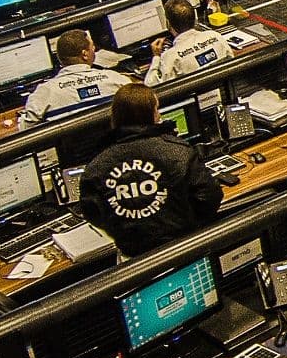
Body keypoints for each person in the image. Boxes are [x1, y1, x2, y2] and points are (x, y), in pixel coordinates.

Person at [78, 84, 222, 256]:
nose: (160, 114)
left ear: (114, 117)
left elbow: (94, 215)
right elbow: (209, 198)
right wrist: (187, 223)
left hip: (132, 257)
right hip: (184, 247)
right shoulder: (179, 151)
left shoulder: (95, 167)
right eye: (157, 109)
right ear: (152, 115)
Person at [15, 31, 128, 129]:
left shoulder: (44, 93)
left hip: (73, 153)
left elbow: (25, 130)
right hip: (120, 148)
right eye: (93, 47)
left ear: (59, 58)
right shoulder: (117, 80)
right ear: (85, 54)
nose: (95, 50)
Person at [142, 0, 243, 86]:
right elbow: (231, 61)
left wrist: (156, 57)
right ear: (194, 19)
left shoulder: (170, 56)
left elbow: (150, 86)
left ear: (168, 23)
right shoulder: (215, 36)